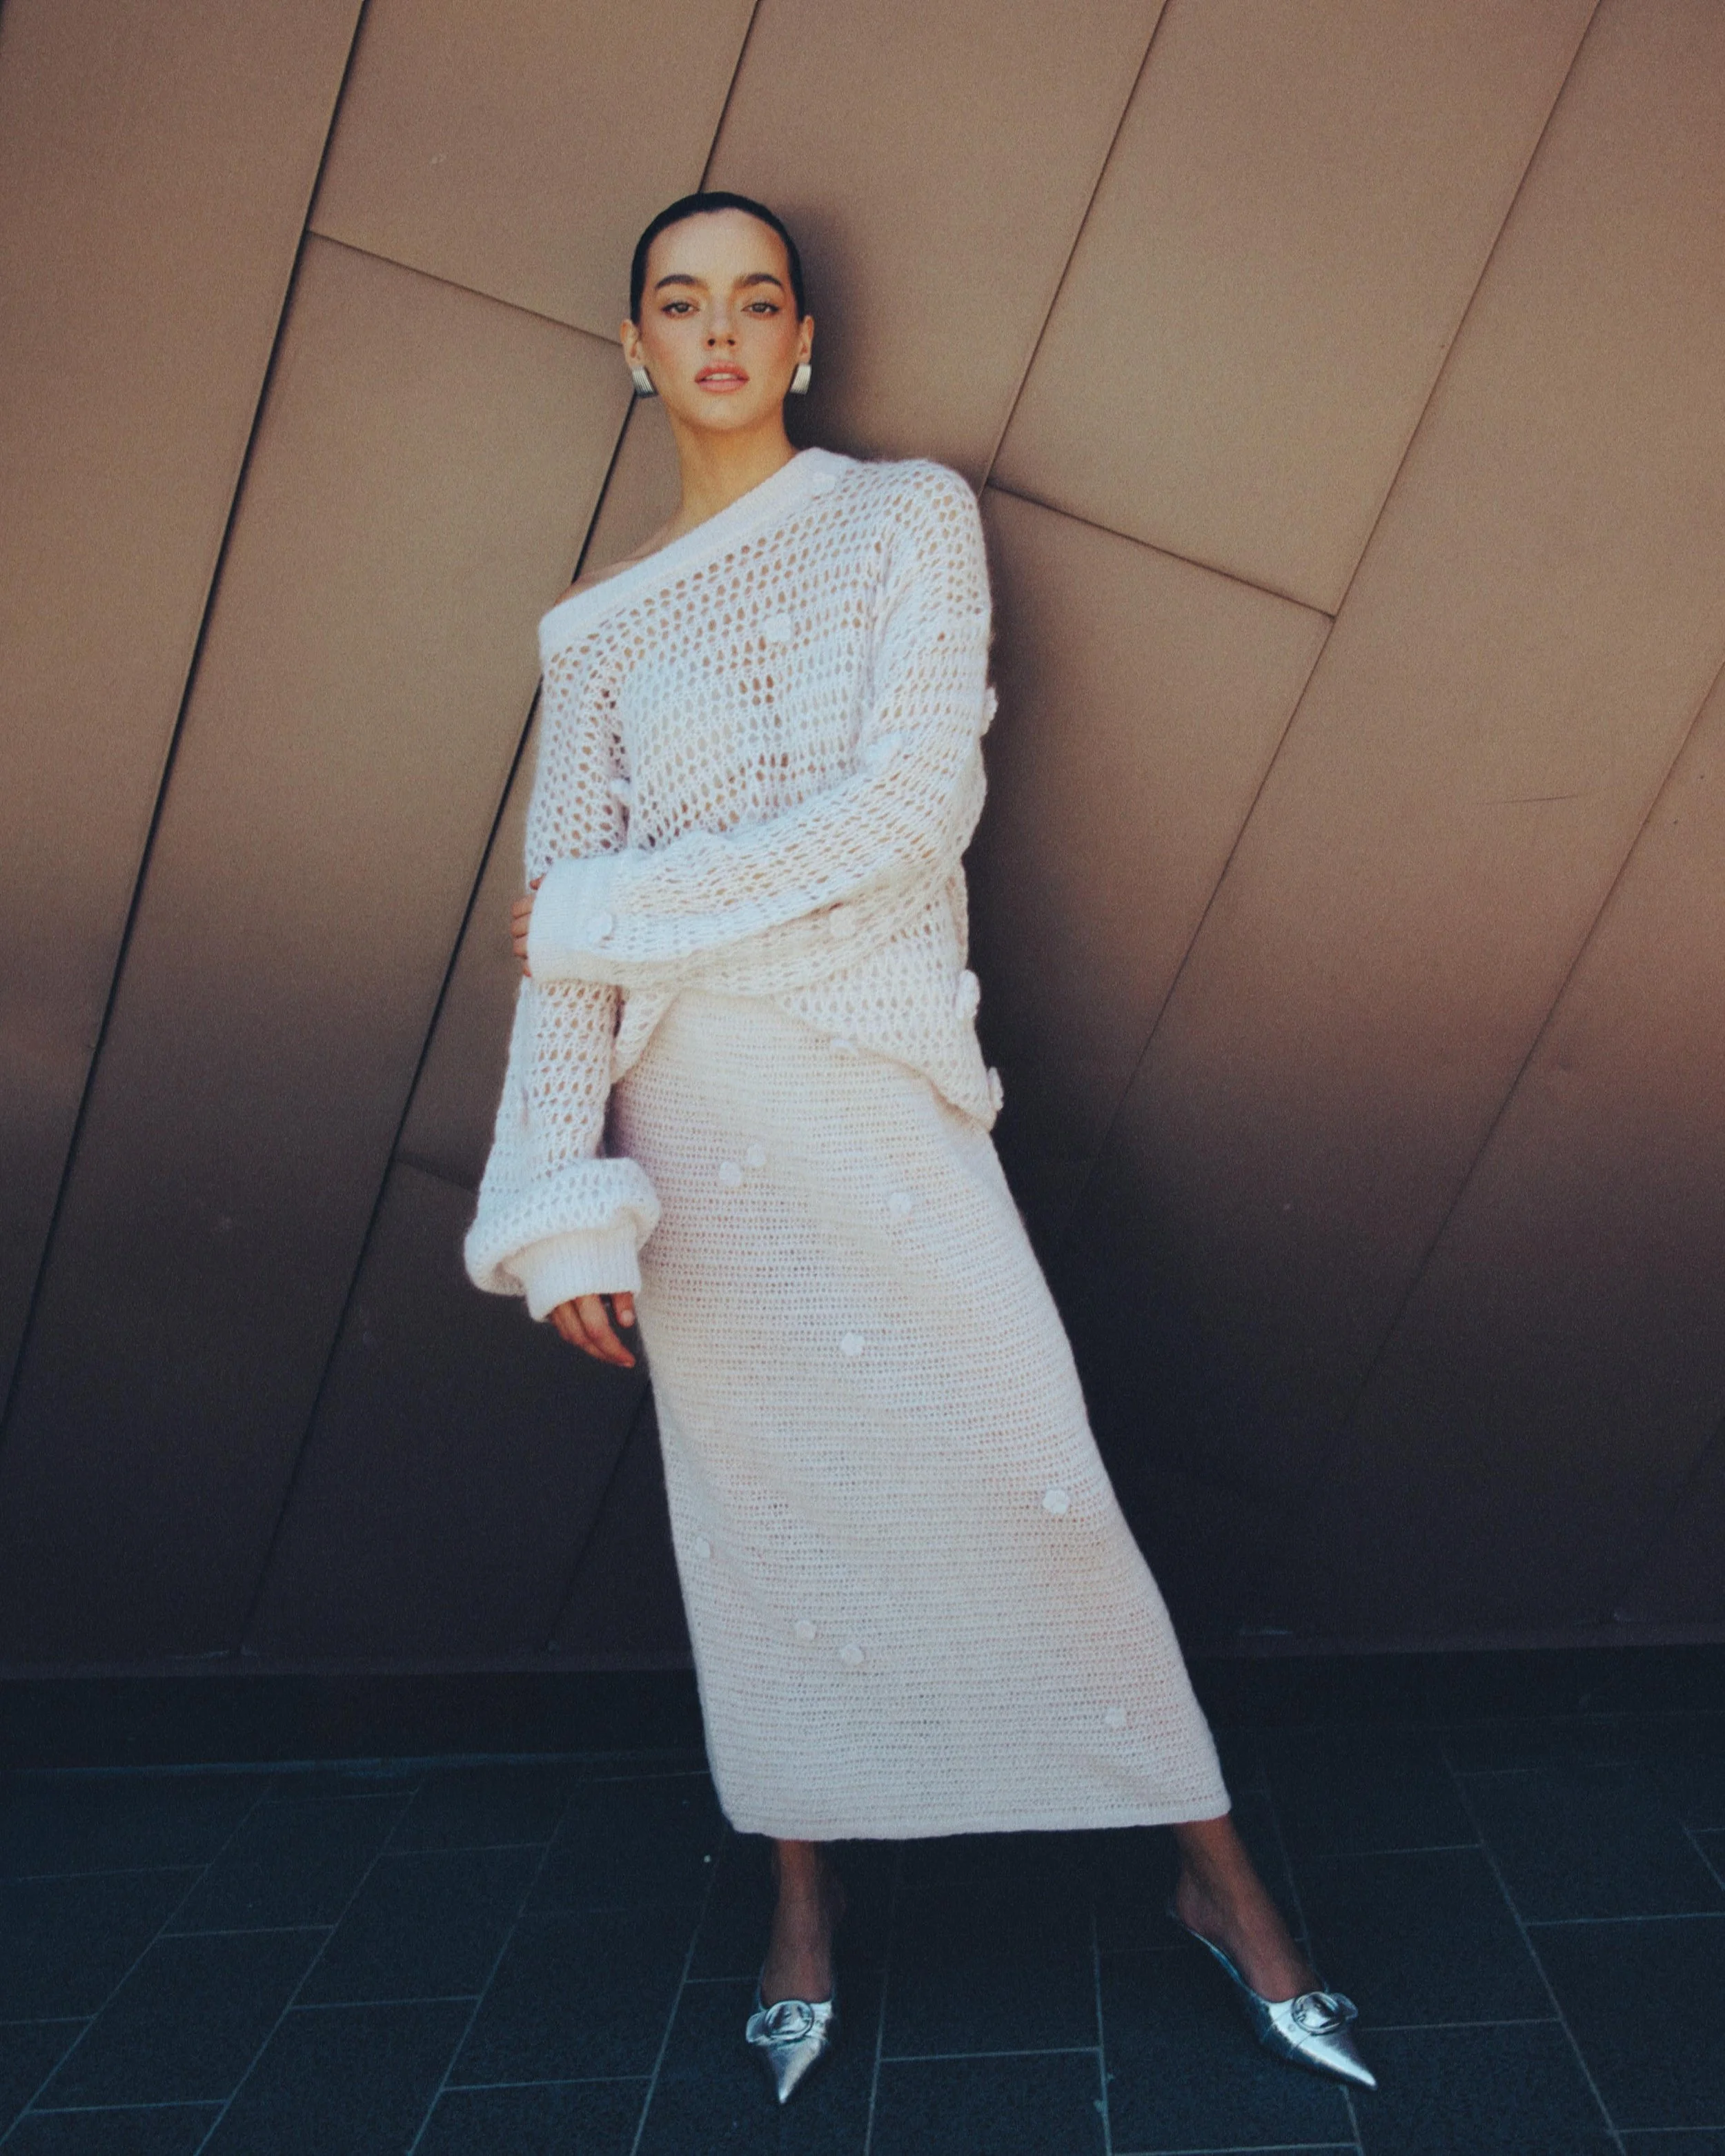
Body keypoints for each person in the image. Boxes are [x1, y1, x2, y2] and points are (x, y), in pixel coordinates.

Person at [465, 190, 1374, 2105]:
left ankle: (1220, 1888)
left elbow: (904, 808)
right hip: (698, 1126)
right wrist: (557, 1204)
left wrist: (619, 912)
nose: (719, 333)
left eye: (755, 301)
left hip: (876, 1093)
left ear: (802, 341)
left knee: (1034, 1477)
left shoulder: (904, 520)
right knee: (763, 1525)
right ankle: (801, 1908)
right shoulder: (596, 634)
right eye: (679, 304)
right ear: (634, 348)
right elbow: (557, 962)